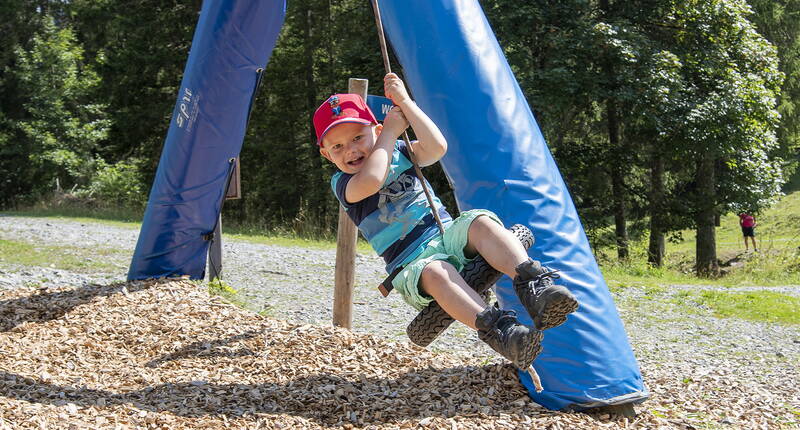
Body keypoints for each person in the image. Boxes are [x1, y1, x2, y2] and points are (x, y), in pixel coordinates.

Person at [313, 73, 578, 370]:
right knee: (438, 271)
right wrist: (388, 135)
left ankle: (534, 286)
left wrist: (405, 104)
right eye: (337, 147)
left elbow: (437, 146)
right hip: (412, 264)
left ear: (374, 128)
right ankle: (503, 332)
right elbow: (373, 180)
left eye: (358, 137)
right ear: (326, 154)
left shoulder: (402, 152)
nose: (351, 150)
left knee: (480, 221)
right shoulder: (344, 183)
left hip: (446, 234)